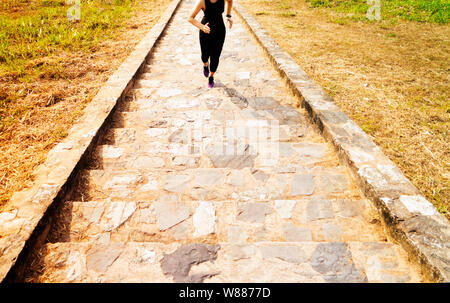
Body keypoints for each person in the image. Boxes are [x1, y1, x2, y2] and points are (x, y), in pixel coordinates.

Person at [188, 0, 233, 88]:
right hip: (205, 31)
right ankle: (205, 65)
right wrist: (202, 27)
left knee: (215, 56)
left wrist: (228, 15)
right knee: (205, 55)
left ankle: (211, 77)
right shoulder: (202, 1)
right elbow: (190, 18)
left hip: (220, 30)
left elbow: (230, 1)